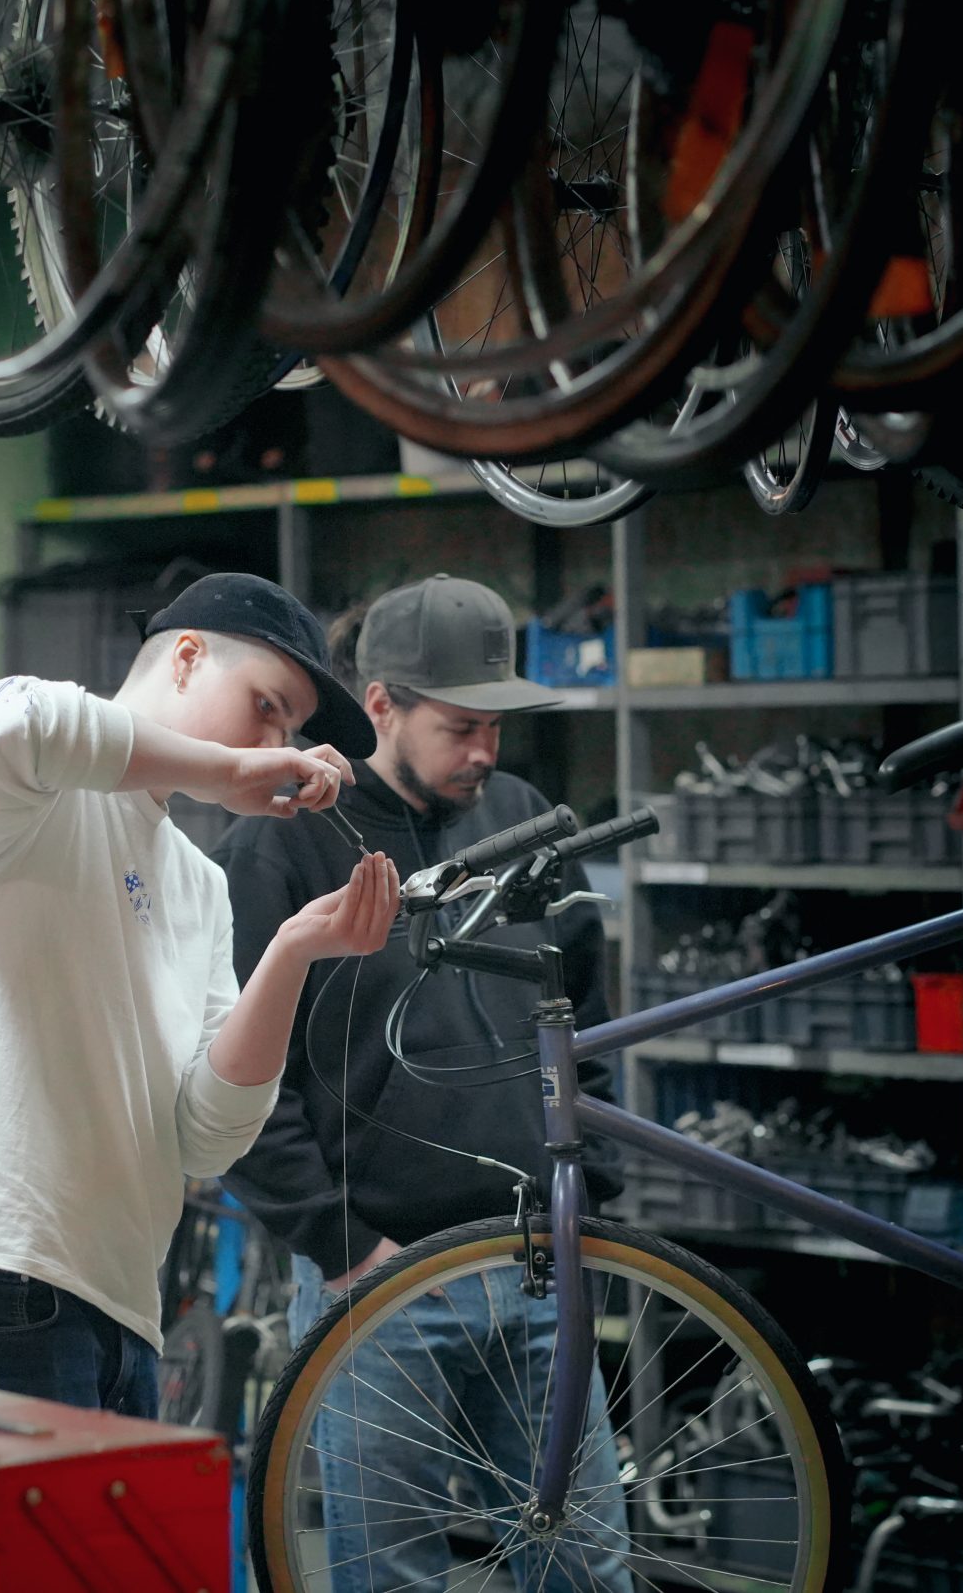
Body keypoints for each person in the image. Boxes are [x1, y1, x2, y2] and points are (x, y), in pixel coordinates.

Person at [0, 572, 398, 1417]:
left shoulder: (199, 883)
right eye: (267, 706)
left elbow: (206, 1136)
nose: (279, 745)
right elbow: (27, 723)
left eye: (289, 729)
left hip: (121, 1308)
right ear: (186, 657)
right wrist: (230, 767)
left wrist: (292, 952)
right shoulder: (26, 781)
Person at [216, 573, 638, 1592]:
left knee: (584, 1563)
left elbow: (588, 1012)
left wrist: (592, 1185)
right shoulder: (280, 843)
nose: (484, 752)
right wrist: (344, 1247)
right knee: (391, 1575)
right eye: (460, 727)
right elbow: (235, 1076)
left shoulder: (525, 818)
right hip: (381, 1282)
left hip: (535, 1264)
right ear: (380, 706)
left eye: (495, 726)